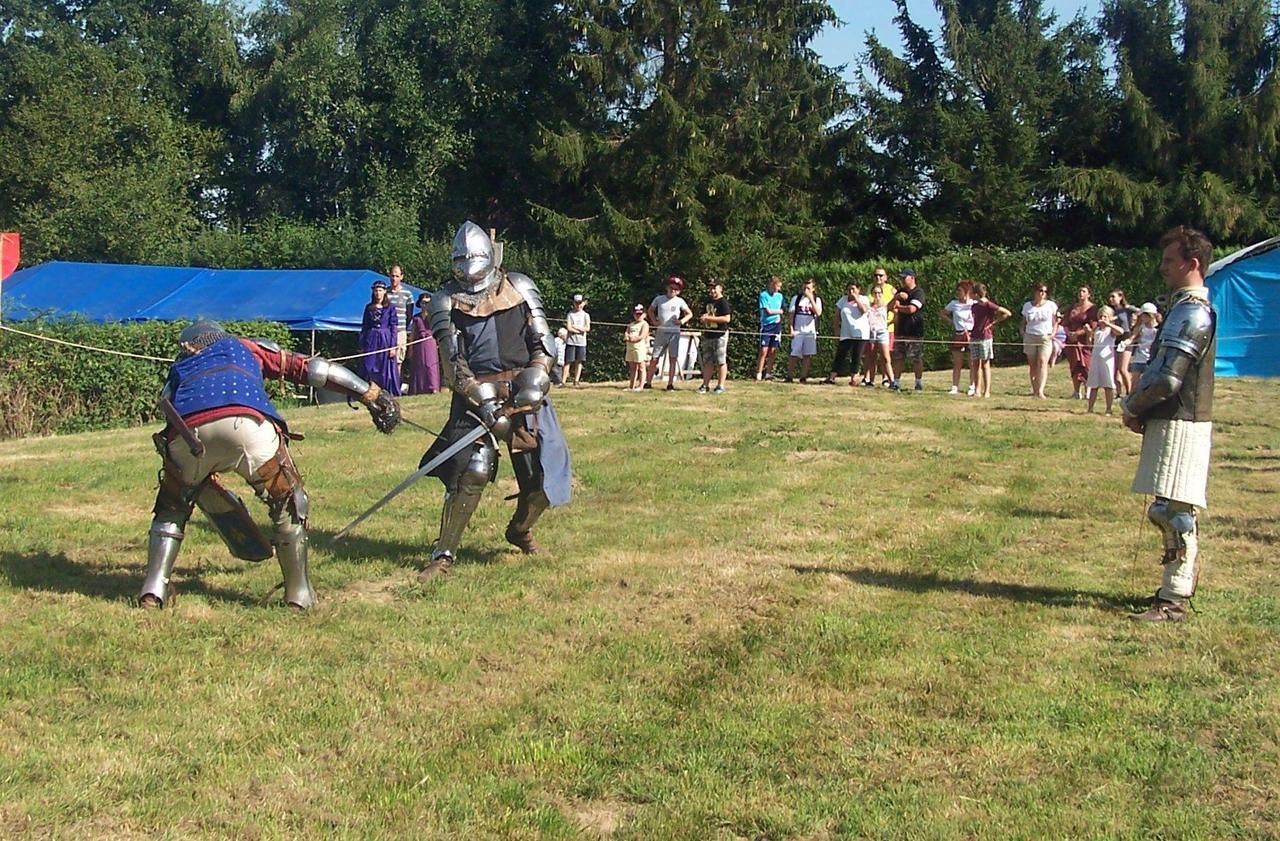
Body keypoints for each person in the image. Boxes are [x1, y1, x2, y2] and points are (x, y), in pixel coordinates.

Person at [140, 321, 400, 609]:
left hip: (188, 436)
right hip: (248, 427)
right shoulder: (245, 346)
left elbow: (167, 404)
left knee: (171, 508)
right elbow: (313, 370)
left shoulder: (182, 364)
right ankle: (299, 595)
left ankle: (153, 589)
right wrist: (371, 394)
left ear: (190, 345)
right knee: (288, 500)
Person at [418, 221, 572, 577]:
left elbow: (544, 344)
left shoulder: (519, 287)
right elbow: (453, 364)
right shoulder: (445, 301)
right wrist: (482, 400)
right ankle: (444, 554)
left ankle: (520, 529)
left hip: (524, 396)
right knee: (472, 470)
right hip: (473, 399)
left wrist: (535, 379)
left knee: (542, 481)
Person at [1123, 226, 1217, 623]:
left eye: (1169, 261)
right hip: (1170, 418)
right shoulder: (1181, 307)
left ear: (1191, 264)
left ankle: (1175, 597)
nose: (1162, 268)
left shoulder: (1194, 311)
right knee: (1166, 507)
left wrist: (1133, 405)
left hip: (1184, 420)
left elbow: (1168, 379)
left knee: (1176, 511)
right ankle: (1171, 587)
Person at [646, 275, 694, 391]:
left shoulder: (680, 301)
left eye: (676, 289)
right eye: (671, 288)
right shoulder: (659, 299)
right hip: (661, 332)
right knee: (654, 358)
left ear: (679, 291)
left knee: (673, 358)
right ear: (667, 287)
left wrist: (681, 321)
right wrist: (654, 321)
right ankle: (648, 382)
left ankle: (670, 383)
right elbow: (650, 310)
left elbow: (689, 313)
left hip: (674, 332)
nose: (673, 291)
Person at [968, 283, 1012, 398]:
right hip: (974, 336)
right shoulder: (974, 306)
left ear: (977, 294)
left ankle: (987, 391)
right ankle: (977, 390)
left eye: (972, 293)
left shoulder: (989, 305)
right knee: (975, 363)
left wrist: (993, 323)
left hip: (985, 337)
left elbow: (1007, 313)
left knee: (985, 364)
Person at [359, 279, 401, 396]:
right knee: (369, 365)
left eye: (380, 290)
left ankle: (387, 392)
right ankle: (369, 390)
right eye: (376, 291)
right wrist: (362, 344)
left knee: (385, 367)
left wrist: (393, 346)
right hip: (371, 340)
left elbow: (393, 327)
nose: (378, 293)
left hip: (385, 339)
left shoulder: (390, 308)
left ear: (384, 292)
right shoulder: (369, 308)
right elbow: (365, 327)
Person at [824, 281, 869, 385]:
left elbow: (863, 310)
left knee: (856, 356)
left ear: (859, 289)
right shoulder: (843, 300)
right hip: (846, 333)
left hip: (860, 333)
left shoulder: (864, 299)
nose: (851, 291)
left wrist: (856, 298)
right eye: (849, 289)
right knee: (840, 355)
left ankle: (854, 378)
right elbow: (837, 316)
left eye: (853, 289)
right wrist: (836, 329)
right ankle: (832, 377)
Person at [1021, 283, 1059, 399]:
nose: (1043, 293)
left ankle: (1041, 391)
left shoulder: (1051, 305)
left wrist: (1053, 334)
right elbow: (1023, 322)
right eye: (1041, 291)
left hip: (1045, 337)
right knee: (1032, 364)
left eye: (1045, 291)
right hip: (1030, 336)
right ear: (1035, 291)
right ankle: (1034, 389)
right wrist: (1023, 333)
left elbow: (1056, 321)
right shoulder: (1027, 306)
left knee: (1042, 362)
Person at [890, 268, 926, 391]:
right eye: (901, 278)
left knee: (916, 358)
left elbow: (911, 309)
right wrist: (896, 297)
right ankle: (896, 382)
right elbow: (889, 307)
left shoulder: (918, 292)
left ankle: (918, 382)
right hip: (901, 331)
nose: (902, 280)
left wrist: (898, 306)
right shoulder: (901, 292)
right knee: (898, 357)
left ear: (912, 278)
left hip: (915, 331)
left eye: (904, 277)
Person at [1086, 305, 1125, 415]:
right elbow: (1090, 343)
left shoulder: (1110, 330)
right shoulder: (1097, 329)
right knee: (1093, 385)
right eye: (1101, 316)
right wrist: (1089, 333)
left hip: (1107, 360)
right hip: (1096, 359)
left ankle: (1108, 409)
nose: (1102, 319)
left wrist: (1109, 324)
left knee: (1108, 385)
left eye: (1105, 316)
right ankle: (1090, 408)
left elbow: (1121, 331)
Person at [862, 268, 897, 386]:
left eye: (881, 275)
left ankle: (887, 379)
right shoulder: (868, 289)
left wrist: (890, 322)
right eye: (876, 275)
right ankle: (868, 379)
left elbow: (895, 307)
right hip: (871, 330)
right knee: (870, 355)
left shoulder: (891, 290)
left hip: (886, 329)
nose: (878, 277)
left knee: (885, 356)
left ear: (886, 277)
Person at [1063, 286, 1099, 399]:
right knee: (1074, 365)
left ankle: (1087, 391)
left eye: (1084, 291)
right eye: (1079, 291)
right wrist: (1069, 333)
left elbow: (1093, 325)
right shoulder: (1072, 308)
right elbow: (1065, 323)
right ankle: (1076, 391)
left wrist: (1079, 334)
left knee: (1086, 366)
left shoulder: (1092, 308)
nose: (1081, 293)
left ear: (1089, 294)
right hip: (1072, 341)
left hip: (1085, 341)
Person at [697, 279, 732, 394]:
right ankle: (705, 385)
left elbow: (727, 319)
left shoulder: (723, 302)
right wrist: (703, 318)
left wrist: (709, 318)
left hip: (720, 335)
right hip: (708, 334)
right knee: (708, 361)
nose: (712, 291)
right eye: (710, 288)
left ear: (720, 288)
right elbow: (704, 314)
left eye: (714, 288)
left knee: (720, 361)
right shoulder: (708, 302)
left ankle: (720, 386)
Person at [785, 277, 822, 383]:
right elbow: (791, 315)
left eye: (808, 288)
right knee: (794, 353)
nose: (806, 290)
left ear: (813, 289)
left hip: (810, 331)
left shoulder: (816, 300)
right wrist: (791, 329)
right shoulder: (796, 299)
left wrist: (811, 299)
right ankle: (789, 375)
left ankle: (803, 377)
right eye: (804, 287)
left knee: (807, 354)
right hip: (798, 330)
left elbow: (818, 313)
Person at [941, 280, 975, 395]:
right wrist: (952, 322)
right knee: (957, 362)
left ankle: (972, 386)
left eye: (960, 290)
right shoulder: (953, 303)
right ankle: (955, 386)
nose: (957, 292)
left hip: (971, 334)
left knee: (972, 362)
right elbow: (942, 313)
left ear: (967, 291)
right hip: (958, 333)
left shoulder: (974, 303)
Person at [1107, 288, 1141, 397]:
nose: (1111, 299)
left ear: (1120, 297)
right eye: (1110, 297)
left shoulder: (1126, 310)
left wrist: (1135, 324)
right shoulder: (1112, 311)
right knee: (1116, 369)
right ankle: (1118, 393)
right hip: (1115, 338)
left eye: (1113, 296)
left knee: (1123, 368)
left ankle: (1130, 392)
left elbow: (1141, 311)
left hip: (1126, 338)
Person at [407, 292, 441, 395]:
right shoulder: (416, 318)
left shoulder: (434, 316)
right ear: (420, 304)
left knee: (431, 366)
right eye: (423, 302)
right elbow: (413, 333)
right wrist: (410, 348)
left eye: (427, 302)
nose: (425, 305)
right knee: (419, 366)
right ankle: (418, 389)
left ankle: (433, 387)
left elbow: (439, 330)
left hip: (431, 342)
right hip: (419, 344)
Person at [754, 275, 786, 381]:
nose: (779, 289)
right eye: (778, 286)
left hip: (777, 325)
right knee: (764, 350)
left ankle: (768, 373)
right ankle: (758, 373)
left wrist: (780, 312)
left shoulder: (780, 296)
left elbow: (783, 308)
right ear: (773, 285)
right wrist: (779, 312)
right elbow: (768, 311)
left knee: (773, 350)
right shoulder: (764, 295)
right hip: (767, 325)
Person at [386, 265, 414, 372]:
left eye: (397, 276)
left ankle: (395, 385)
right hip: (387, 331)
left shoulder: (407, 294)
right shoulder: (385, 293)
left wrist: (403, 329)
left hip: (400, 332)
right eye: (392, 276)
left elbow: (409, 315)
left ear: (401, 277)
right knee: (385, 360)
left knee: (398, 361)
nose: (394, 278)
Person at [563, 293, 591, 386]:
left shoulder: (586, 315)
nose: (578, 305)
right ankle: (563, 381)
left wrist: (576, 327)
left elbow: (587, 328)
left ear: (583, 303)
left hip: (581, 342)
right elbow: (569, 328)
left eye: (580, 303)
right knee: (568, 361)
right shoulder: (570, 314)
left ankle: (576, 380)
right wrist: (580, 329)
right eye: (576, 303)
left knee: (579, 361)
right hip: (571, 341)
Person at [1126, 302, 1160, 376]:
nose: (1142, 317)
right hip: (1138, 359)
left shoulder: (1159, 328)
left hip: (1151, 360)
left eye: (1144, 315)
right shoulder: (1140, 327)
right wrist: (1125, 343)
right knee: (1134, 383)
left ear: (1150, 315)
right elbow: (1132, 338)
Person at [623, 304, 650, 390]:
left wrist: (635, 339)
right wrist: (627, 337)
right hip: (630, 347)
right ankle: (631, 386)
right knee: (633, 368)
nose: (638, 316)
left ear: (644, 315)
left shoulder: (644, 324)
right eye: (636, 314)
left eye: (640, 314)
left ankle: (641, 386)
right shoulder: (631, 324)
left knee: (641, 367)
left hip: (640, 347)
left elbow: (642, 335)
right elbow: (626, 333)